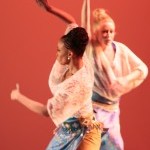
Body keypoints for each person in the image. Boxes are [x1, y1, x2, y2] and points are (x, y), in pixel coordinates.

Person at [35, 0, 148, 150]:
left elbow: (142, 69)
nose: (108, 35)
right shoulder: (89, 50)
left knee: (115, 146)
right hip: (91, 111)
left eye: (111, 31)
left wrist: (123, 82)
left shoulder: (120, 49)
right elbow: (80, 22)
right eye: (104, 32)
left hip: (111, 111)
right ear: (95, 33)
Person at [10, 26, 104, 150]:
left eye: (59, 50)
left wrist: (18, 96)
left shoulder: (78, 84)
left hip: (85, 134)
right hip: (68, 130)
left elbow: (45, 111)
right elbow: (71, 22)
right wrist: (51, 10)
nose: (56, 53)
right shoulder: (75, 58)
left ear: (70, 53)